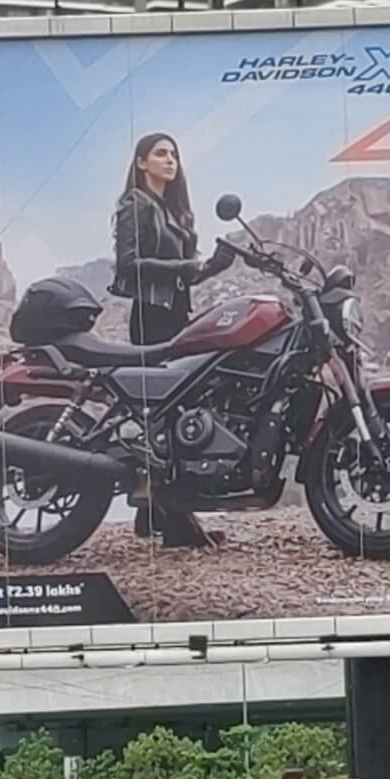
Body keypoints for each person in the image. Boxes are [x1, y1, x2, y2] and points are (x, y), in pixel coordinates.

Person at [109, 132, 238, 550]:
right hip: (150, 315)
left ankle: (153, 515)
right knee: (164, 413)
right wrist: (187, 266)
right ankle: (175, 522)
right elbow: (128, 264)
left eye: (175, 155)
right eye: (161, 154)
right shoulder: (135, 204)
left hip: (176, 315)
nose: (170, 161)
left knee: (173, 412)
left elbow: (185, 275)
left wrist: (214, 266)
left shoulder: (175, 211)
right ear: (141, 162)